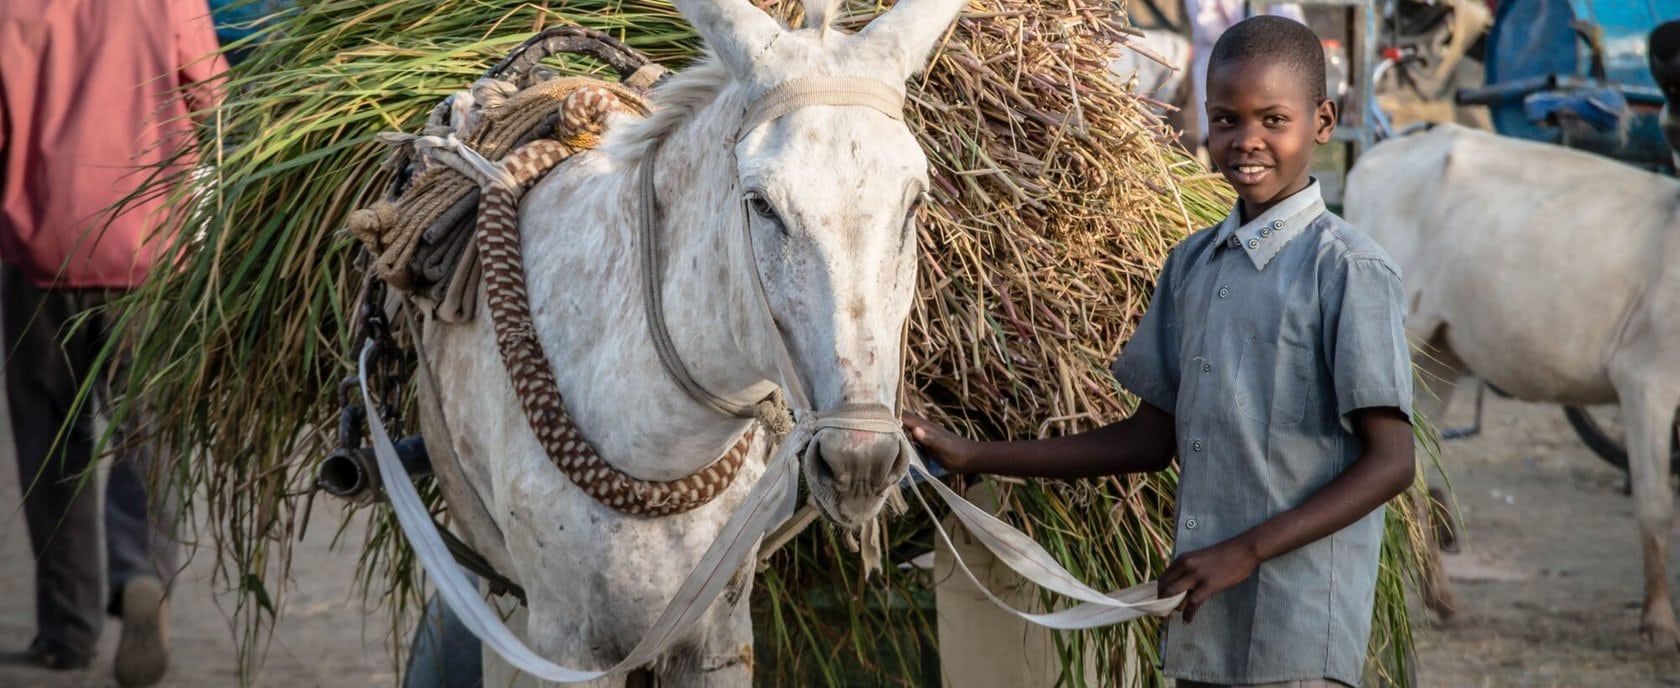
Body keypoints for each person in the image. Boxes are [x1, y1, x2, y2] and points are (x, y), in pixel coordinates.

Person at [904, 16, 1415, 688]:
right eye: (1227, 119)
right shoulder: (1192, 265)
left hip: (1297, 631)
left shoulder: (1347, 270)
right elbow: (1150, 439)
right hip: (1203, 617)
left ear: (1322, 121)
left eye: (1273, 119)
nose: (1246, 141)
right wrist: (976, 456)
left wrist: (1245, 552)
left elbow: (1392, 463)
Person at [0, 1, 226, 686]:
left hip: (41, 250)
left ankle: (67, 630)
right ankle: (139, 573)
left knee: (52, 444)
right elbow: (212, 94)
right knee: (146, 436)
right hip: (150, 251)